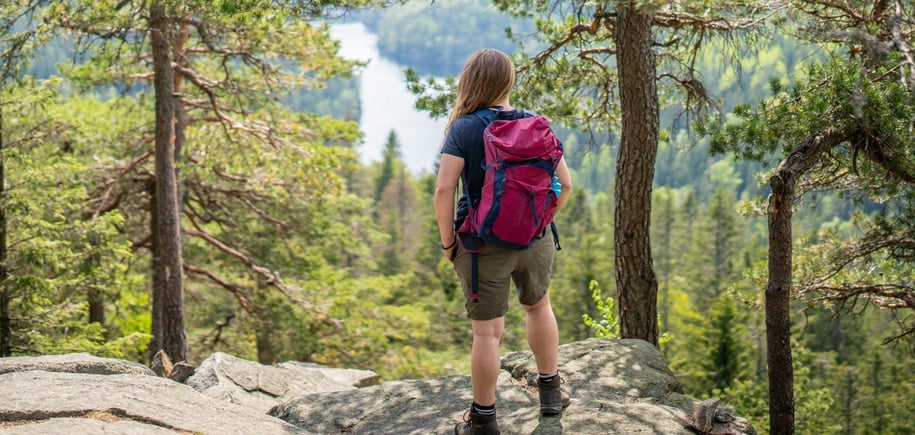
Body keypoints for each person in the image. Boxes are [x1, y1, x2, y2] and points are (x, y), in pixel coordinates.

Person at [434, 48, 572, 435]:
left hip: (482, 245)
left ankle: (484, 421)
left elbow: (445, 188)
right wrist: (539, 223)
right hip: (534, 238)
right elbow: (566, 183)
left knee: (486, 333)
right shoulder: (535, 123)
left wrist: (448, 242)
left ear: (470, 81)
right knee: (539, 307)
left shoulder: (464, 128)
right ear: (509, 81)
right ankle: (550, 395)